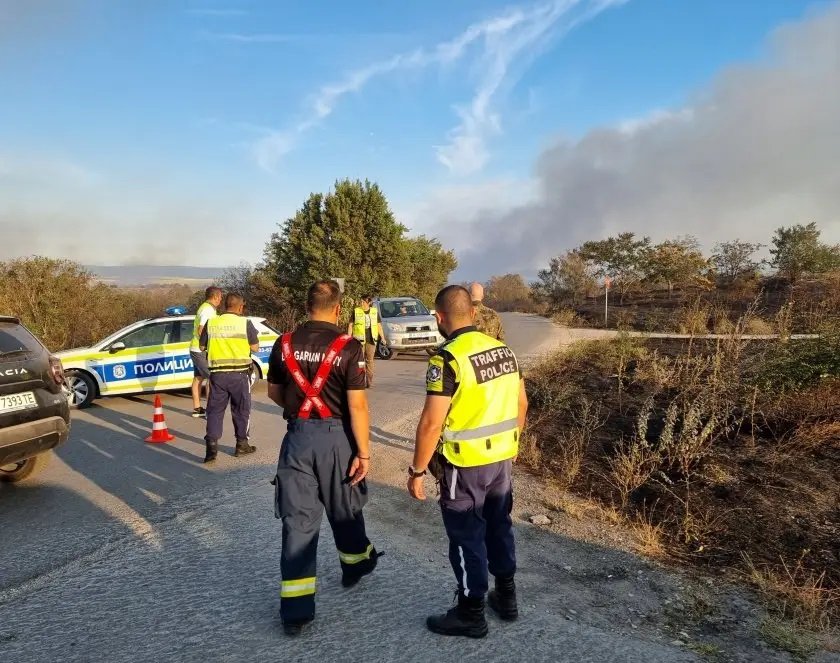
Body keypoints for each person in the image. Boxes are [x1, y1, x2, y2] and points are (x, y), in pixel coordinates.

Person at [407, 284, 528, 638]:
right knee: (499, 525)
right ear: (473, 313)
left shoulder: (446, 359)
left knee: (465, 536)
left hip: (464, 466)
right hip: (502, 459)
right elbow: (521, 404)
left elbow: (431, 423)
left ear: (439, 318)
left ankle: (470, 612)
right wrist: (513, 441)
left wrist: (416, 470)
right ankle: (506, 598)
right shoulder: (504, 350)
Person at [267, 280, 381, 636]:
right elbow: (357, 404)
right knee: (345, 506)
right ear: (338, 308)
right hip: (338, 440)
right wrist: (363, 452)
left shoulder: (283, 343)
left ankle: (296, 614)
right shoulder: (349, 347)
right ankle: (356, 565)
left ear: (306, 306)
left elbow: (273, 391)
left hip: (298, 439)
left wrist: (301, 410)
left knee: (298, 521)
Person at [199, 292, 258, 463]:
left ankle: (211, 449)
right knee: (241, 410)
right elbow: (255, 348)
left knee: (214, 411)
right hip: (240, 375)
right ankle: (241, 445)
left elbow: (202, 346)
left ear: (225, 305)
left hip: (217, 375)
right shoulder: (244, 322)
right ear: (240, 307)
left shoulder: (212, 322)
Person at [189, 286, 222, 418]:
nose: (221, 300)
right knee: (212, 378)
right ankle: (210, 411)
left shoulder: (205, 307)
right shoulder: (207, 310)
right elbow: (201, 330)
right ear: (215, 296)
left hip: (196, 348)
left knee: (198, 378)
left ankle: (197, 408)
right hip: (200, 349)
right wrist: (209, 344)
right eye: (220, 297)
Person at [347, 294, 381, 388]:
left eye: (363, 301)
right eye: (360, 301)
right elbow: (351, 325)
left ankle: (369, 380)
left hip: (371, 340)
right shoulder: (356, 311)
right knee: (360, 361)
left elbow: (378, 326)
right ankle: (361, 380)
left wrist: (383, 338)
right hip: (359, 341)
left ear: (369, 302)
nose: (361, 303)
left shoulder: (374, 312)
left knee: (369, 361)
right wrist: (348, 338)